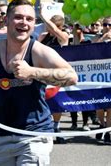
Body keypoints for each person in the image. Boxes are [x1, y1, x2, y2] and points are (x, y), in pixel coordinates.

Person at [0, 0, 78, 165]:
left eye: (29, 19)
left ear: (34, 23)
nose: (24, 23)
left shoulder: (39, 51)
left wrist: (32, 72)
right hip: (0, 134)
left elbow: (72, 77)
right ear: (6, 20)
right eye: (18, 17)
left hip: (34, 135)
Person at [38, 13, 69, 144]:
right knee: (42, 101)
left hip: (57, 73)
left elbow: (56, 31)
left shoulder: (64, 37)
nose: (49, 27)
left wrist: (43, 16)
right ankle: (45, 127)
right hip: (43, 73)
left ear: (60, 27)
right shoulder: (43, 36)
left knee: (57, 102)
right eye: (49, 24)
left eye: (54, 25)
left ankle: (56, 126)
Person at [92, 16, 111, 144]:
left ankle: (108, 131)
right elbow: (90, 51)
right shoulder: (96, 38)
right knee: (99, 105)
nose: (107, 27)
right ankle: (102, 125)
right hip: (98, 75)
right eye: (105, 25)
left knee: (109, 106)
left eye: (110, 25)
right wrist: (102, 39)